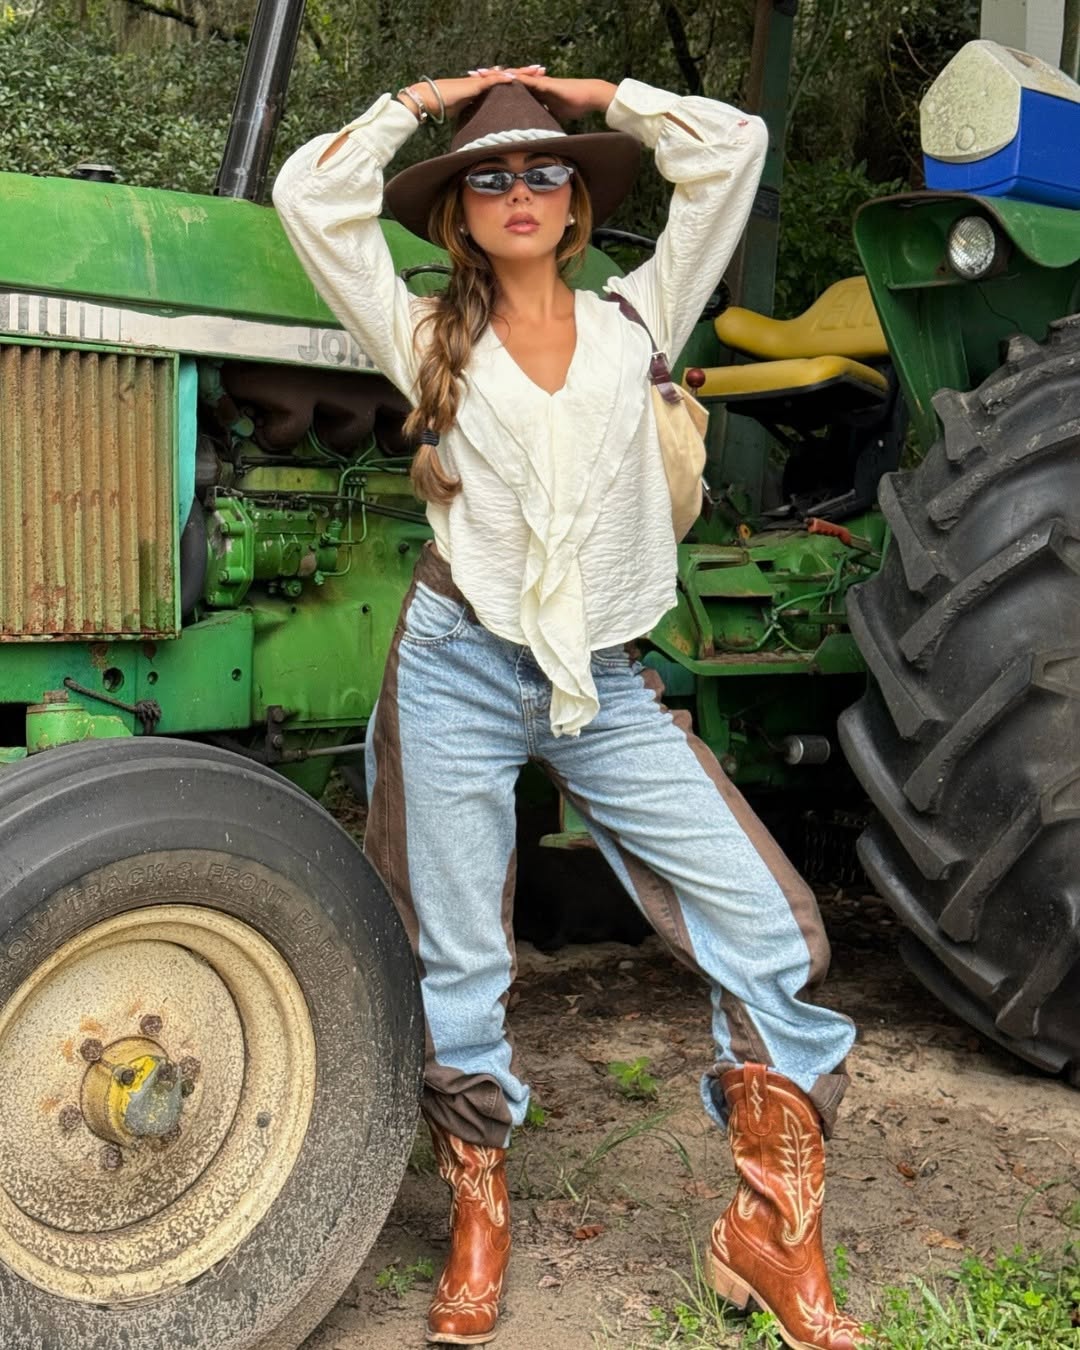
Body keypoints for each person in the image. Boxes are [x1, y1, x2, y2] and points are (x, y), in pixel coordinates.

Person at [273, 65, 865, 1350]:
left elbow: (732, 147)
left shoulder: (640, 315)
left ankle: (770, 1228)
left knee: (765, 924)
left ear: (579, 200)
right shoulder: (421, 333)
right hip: (458, 669)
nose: (521, 190)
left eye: (545, 169)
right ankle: (477, 1212)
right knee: (462, 960)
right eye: (490, 176)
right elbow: (310, 198)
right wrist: (419, 104)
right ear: (460, 213)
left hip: (601, 681)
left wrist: (600, 95)